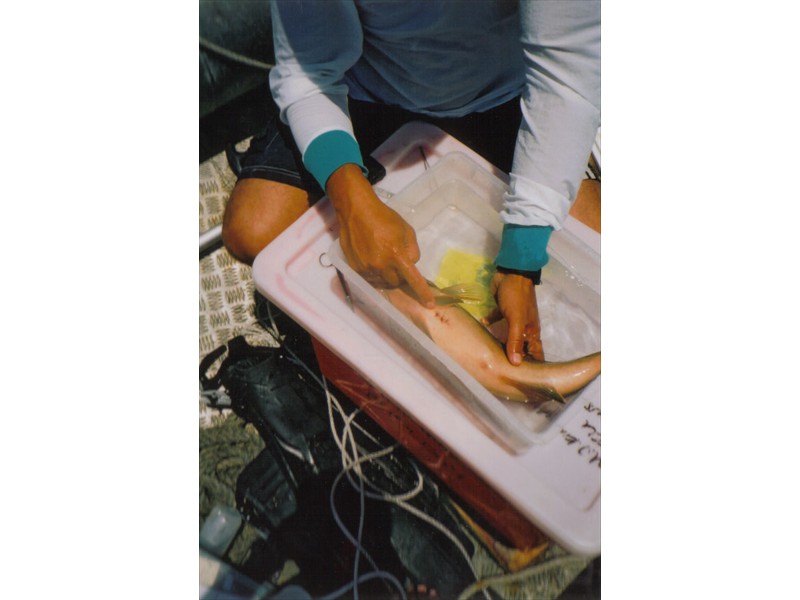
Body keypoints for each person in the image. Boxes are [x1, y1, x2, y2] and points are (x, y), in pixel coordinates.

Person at [222, 0, 600, 365]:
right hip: (366, 89)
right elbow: (307, 71)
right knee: (253, 230)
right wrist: (349, 196)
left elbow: (567, 79)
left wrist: (523, 257)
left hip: (507, 95)